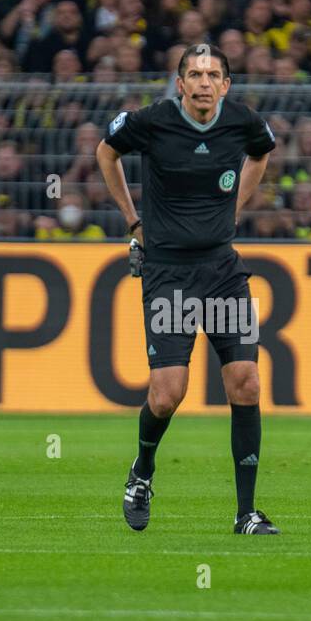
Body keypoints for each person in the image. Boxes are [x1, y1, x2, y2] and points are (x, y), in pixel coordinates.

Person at [96, 43, 279, 535]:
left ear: (226, 84)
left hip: (222, 270)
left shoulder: (242, 122)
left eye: (212, 73)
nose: (203, 82)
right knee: (166, 394)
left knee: (246, 381)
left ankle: (246, 513)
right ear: (180, 84)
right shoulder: (153, 121)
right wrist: (134, 222)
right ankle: (142, 473)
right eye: (194, 74)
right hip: (169, 274)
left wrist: (235, 207)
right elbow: (106, 152)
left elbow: (262, 154)